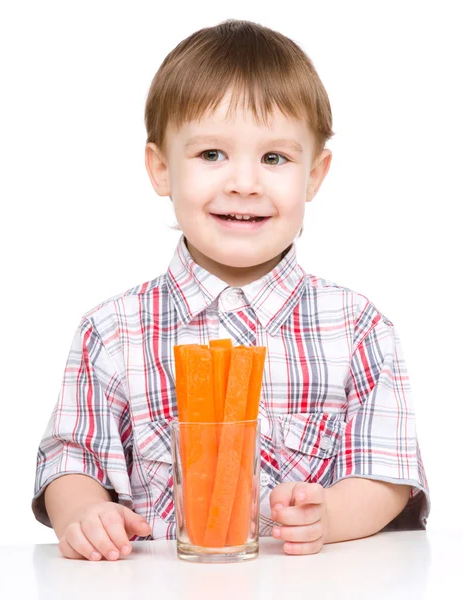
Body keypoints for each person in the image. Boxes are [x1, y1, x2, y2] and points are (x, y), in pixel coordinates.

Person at [32, 18, 430, 561]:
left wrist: (328, 517)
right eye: (211, 155)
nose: (244, 182)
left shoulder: (358, 327)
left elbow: (388, 473)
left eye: (274, 158)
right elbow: (71, 458)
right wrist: (82, 512)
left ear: (315, 175)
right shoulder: (112, 330)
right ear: (160, 169)